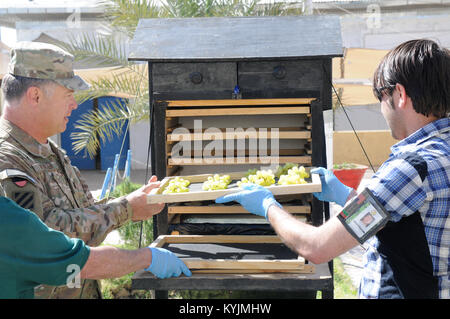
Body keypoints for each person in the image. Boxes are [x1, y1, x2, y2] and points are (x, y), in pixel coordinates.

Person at [216, 39, 449, 299]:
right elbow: (400, 221)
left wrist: (268, 206)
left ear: (400, 95)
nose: (380, 107)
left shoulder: (411, 169)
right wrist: (346, 196)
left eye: (380, 95)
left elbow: (317, 247)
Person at [0, 41, 174, 299]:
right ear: (35, 95)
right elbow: (51, 241)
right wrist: (126, 208)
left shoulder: (49, 150)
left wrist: (136, 204)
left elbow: (84, 213)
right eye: (68, 94)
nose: (74, 104)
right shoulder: (8, 160)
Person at [0, 185, 191, 299]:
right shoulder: (7, 218)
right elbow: (79, 262)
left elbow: (84, 209)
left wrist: (127, 204)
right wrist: (146, 257)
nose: (72, 114)